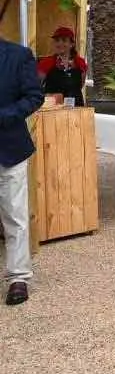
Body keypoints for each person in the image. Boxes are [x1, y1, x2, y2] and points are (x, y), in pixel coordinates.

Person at [0, 36, 44, 306]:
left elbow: (34, 96)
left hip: (9, 148)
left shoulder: (18, 55)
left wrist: (4, 116)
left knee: (15, 215)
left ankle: (18, 278)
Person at [36, 26, 87, 107]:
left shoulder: (80, 63)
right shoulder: (45, 63)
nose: (60, 43)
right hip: (53, 110)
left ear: (72, 44)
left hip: (77, 108)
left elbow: (80, 85)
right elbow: (36, 86)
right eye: (57, 41)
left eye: (64, 40)